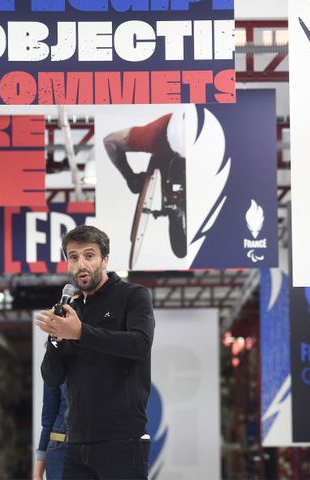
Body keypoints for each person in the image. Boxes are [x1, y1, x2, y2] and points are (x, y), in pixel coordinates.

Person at [35, 225, 155, 480]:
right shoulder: (71, 310)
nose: (81, 264)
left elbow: (139, 344)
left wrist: (80, 333)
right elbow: (52, 377)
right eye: (74, 257)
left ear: (105, 260)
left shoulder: (134, 296)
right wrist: (56, 338)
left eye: (89, 256)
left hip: (122, 440)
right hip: (75, 443)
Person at [103, 108, 190, 260]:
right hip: (164, 152)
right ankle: (173, 205)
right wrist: (130, 177)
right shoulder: (154, 135)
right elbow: (109, 142)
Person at [34, 383, 68, 480]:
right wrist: (38, 474)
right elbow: (49, 418)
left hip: (100, 446)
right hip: (61, 448)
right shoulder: (56, 367)